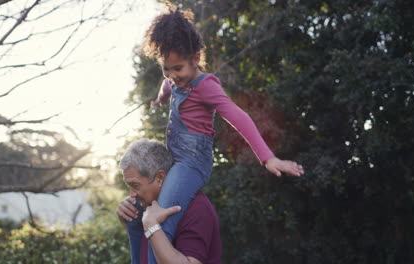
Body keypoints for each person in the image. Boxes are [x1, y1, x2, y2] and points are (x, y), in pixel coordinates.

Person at [138, 4, 305, 264]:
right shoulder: (173, 79)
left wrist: (268, 158)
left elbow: (239, 117)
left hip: (192, 163)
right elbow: (166, 86)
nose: (172, 75)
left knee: (160, 221)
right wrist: (160, 99)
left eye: (178, 68)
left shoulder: (206, 86)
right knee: (142, 206)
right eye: (166, 69)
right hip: (176, 160)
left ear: (196, 58)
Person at [117, 139, 222, 264]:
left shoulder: (196, 208)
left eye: (135, 185)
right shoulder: (149, 206)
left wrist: (151, 226)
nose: (132, 194)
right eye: (129, 186)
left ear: (160, 178)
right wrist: (127, 219)